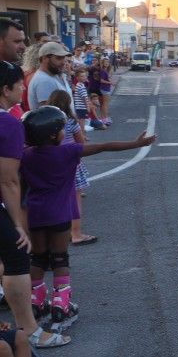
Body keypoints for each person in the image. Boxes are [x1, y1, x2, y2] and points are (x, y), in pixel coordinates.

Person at [20, 106, 156, 333]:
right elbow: (104, 146)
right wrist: (136, 144)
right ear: (53, 134)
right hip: (60, 214)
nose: (65, 132)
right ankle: (61, 305)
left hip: (35, 215)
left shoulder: (26, 156)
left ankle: (36, 301)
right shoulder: (68, 152)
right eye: (62, 129)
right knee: (60, 259)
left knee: (38, 258)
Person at [0, 61, 70, 348]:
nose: (23, 89)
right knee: (17, 259)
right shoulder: (7, 123)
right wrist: (18, 224)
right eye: (19, 85)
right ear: (5, 89)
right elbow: (8, 181)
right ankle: (28, 329)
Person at [48, 90, 97, 246]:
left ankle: (57, 234)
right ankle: (76, 233)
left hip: (51, 164)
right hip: (69, 163)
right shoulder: (70, 121)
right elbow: (80, 142)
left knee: (55, 200)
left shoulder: (47, 121)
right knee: (74, 200)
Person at [27, 42, 73, 111]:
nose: (63, 62)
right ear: (45, 58)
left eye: (63, 58)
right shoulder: (44, 81)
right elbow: (50, 114)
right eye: (59, 58)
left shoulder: (53, 76)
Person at [99, 57, 113, 126]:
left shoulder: (105, 70)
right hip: (105, 89)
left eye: (108, 62)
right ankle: (105, 118)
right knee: (105, 105)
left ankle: (103, 118)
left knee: (103, 104)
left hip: (105, 89)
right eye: (105, 62)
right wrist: (109, 83)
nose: (107, 63)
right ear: (103, 63)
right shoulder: (103, 71)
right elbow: (101, 80)